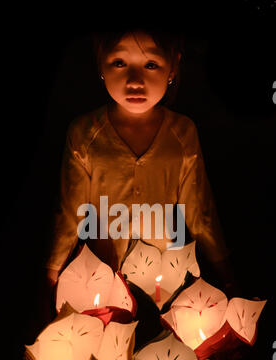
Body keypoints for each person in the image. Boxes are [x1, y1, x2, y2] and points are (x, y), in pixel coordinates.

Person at [43, 29, 239, 324]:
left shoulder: (182, 133)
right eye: (120, 63)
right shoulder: (85, 133)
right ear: (101, 64)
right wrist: (51, 274)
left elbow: (200, 211)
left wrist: (227, 277)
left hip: (162, 286)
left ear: (173, 66)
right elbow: (70, 212)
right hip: (102, 284)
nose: (135, 80)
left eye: (150, 65)